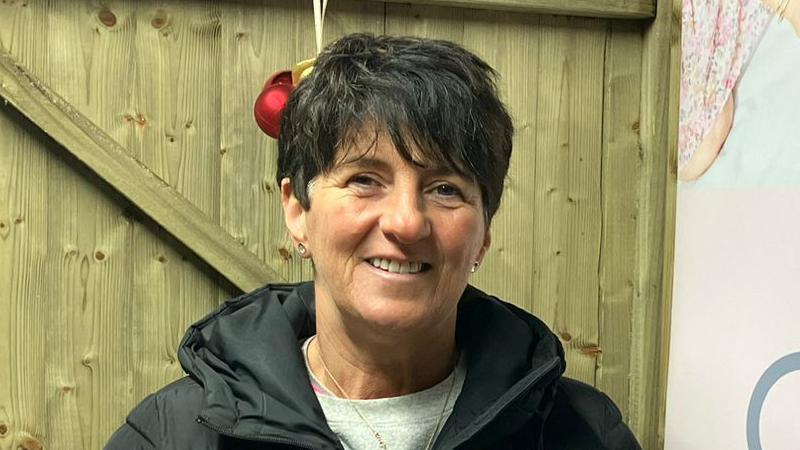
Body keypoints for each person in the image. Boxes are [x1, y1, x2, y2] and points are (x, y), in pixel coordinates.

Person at [105, 33, 640, 450]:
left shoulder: (583, 433)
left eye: (446, 189)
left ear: (483, 234)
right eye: (365, 179)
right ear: (297, 209)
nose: (407, 222)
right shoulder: (173, 434)